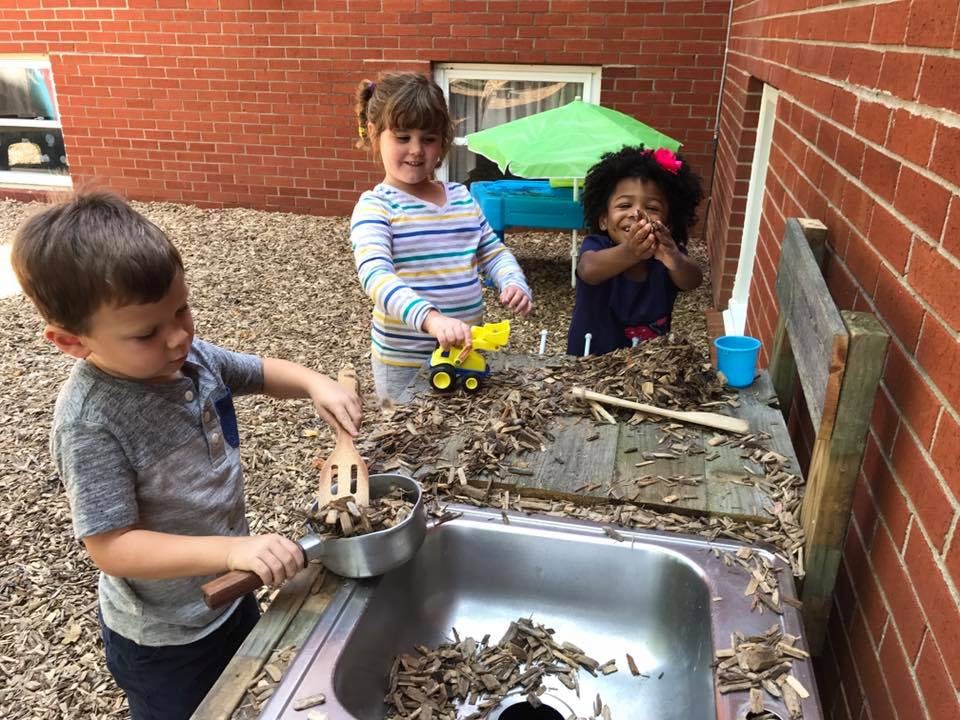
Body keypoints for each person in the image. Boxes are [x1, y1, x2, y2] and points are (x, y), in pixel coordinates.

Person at [10, 190, 363, 720]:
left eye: (182, 309)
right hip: (165, 640)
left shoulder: (190, 359)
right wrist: (229, 552)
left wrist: (315, 384)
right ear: (71, 342)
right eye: (147, 332)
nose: (177, 337)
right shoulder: (92, 422)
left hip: (231, 592)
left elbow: (259, 372)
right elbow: (112, 547)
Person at [351, 71, 533, 401]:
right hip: (404, 362)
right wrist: (431, 319)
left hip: (464, 351)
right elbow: (376, 277)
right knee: (409, 444)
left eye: (429, 138)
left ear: (444, 141)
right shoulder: (376, 206)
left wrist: (512, 280)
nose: (417, 150)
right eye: (403, 137)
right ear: (376, 134)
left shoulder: (461, 198)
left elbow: (493, 252)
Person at [566, 145, 704, 356]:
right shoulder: (598, 246)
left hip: (646, 369)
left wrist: (675, 259)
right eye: (624, 205)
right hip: (589, 363)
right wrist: (631, 252)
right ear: (603, 220)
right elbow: (588, 270)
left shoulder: (666, 254)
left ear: (670, 223)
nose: (637, 214)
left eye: (652, 208)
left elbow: (693, 280)